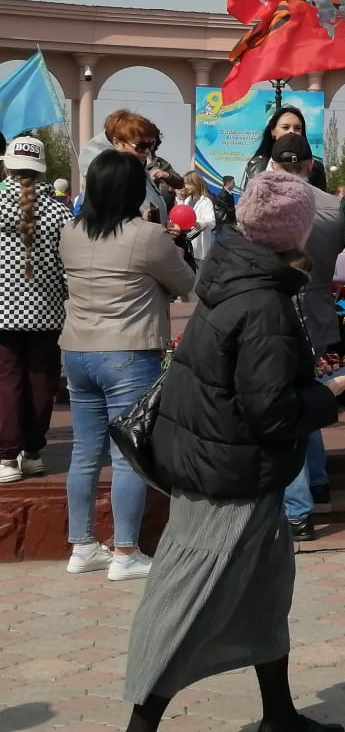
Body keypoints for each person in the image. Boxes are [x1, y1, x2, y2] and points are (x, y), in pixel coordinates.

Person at [124, 170, 345, 732]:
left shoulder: (232, 271)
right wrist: (326, 396)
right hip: (229, 474)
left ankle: (278, 714)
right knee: (186, 602)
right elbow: (271, 412)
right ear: (295, 232)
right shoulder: (264, 303)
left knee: (265, 591)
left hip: (221, 458)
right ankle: (140, 725)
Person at [58, 149, 194, 576]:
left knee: (84, 453)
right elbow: (187, 284)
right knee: (127, 456)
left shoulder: (71, 231)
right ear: (135, 190)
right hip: (127, 353)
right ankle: (125, 551)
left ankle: (81, 546)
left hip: (77, 351)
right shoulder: (146, 236)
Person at [268, 134, 345, 541]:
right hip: (316, 308)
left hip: (282, 309)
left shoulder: (269, 204)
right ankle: (317, 478)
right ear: (311, 165)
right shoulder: (331, 206)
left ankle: (298, 509)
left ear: (275, 165)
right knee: (307, 394)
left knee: (290, 409)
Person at [0, 136, 72, 485]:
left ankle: (6, 456)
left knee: (7, 380)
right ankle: (32, 452)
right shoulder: (59, 210)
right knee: (41, 380)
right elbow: (67, 266)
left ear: (8, 164)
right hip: (46, 311)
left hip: (3, 310)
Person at [78, 109, 171, 226]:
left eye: (150, 144)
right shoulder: (108, 174)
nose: (147, 151)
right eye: (141, 146)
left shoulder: (139, 169)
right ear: (117, 143)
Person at [241, 105, 328, 193]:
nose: (292, 132)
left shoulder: (315, 167)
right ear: (273, 131)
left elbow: (321, 202)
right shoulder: (256, 165)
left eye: (297, 128)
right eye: (285, 127)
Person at [176, 172, 217, 264]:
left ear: (196, 184)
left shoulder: (206, 201)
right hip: (187, 245)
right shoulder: (187, 200)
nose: (186, 186)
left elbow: (212, 222)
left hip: (199, 247)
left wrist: (199, 224)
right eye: (185, 184)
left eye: (188, 184)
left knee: (198, 275)